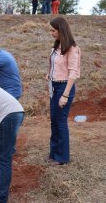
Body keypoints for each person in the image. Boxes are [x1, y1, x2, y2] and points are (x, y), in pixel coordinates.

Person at [47, 17, 81, 165]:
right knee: (54, 121)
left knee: (60, 121)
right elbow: (55, 65)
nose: (51, 33)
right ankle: (54, 153)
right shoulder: (57, 47)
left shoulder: (72, 49)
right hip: (54, 86)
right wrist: (50, 74)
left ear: (61, 30)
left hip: (64, 87)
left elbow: (73, 72)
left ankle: (62, 157)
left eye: (53, 30)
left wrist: (65, 95)